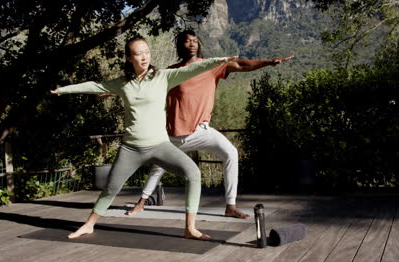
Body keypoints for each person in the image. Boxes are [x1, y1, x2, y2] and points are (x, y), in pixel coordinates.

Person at [51, 36, 237, 240]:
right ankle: (89, 224)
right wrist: (62, 90)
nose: (144, 57)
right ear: (129, 58)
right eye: (138, 53)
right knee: (111, 188)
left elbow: (192, 70)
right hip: (131, 148)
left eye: (147, 52)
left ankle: (190, 228)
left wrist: (219, 60)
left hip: (160, 146)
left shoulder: (163, 77)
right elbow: (95, 86)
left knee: (193, 172)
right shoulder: (123, 84)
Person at [126, 30, 294, 219]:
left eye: (195, 41)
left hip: (200, 131)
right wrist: (119, 91)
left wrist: (268, 62)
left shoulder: (210, 67)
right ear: (181, 45)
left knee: (231, 153)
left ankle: (231, 205)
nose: (192, 44)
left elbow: (240, 65)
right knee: (158, 167)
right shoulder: (172, 72)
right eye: (187, 41)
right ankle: (141, 203)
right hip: (173, 134)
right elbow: (143, 84)